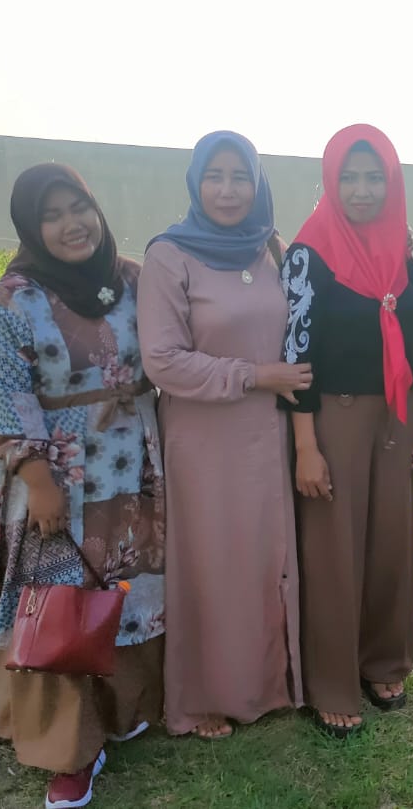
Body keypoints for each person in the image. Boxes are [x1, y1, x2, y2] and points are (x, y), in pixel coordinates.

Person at [0, 163, 165, 809]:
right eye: (51, 215)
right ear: (32, 228)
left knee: (130, 593)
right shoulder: (11, 301)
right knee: (60, 602)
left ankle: (122, 710)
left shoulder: (134, 280)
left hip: (135, 467)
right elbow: (5, 396)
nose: (70, 224)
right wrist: (38, 480)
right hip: (58, 479)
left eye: (78, 207)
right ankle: (69, 751)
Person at [137, 131, 309, 740]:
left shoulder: (271, 248)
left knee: (266, 557)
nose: (229, 190)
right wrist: (256, 375)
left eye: (241, 177)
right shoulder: (170, 256)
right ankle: (203, 694)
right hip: (204, 442)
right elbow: (163, 361)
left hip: (268, 437)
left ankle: (266, 683)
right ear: (196, 182)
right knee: (211, 563)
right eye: (216, 176)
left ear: (258, 183)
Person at [280, 124, 413, 737]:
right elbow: (295, 352)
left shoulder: (398, 246)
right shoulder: (308, 252)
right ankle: (330, 680)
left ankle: (382, 661)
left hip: (396, 413)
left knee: (391, 540)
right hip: (333, 417)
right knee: (334, 551)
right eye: (350, 177)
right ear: (331, 180)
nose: (363, 190)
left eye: (375, 178)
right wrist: (306, 446)